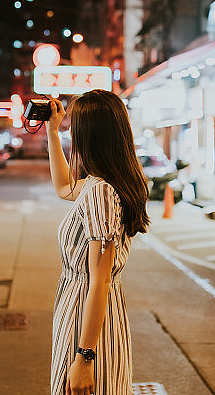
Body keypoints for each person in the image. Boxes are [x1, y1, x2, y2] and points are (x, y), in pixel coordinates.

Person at [46, 89, 149, 395]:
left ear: (89, 136)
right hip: (90, 313)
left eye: (74, 129)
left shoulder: (100, 192)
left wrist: (84, 357)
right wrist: (52, 131)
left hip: (85, 319)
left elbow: (99, 280)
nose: (72, 135)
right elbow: (63, 187)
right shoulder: (102, 184)